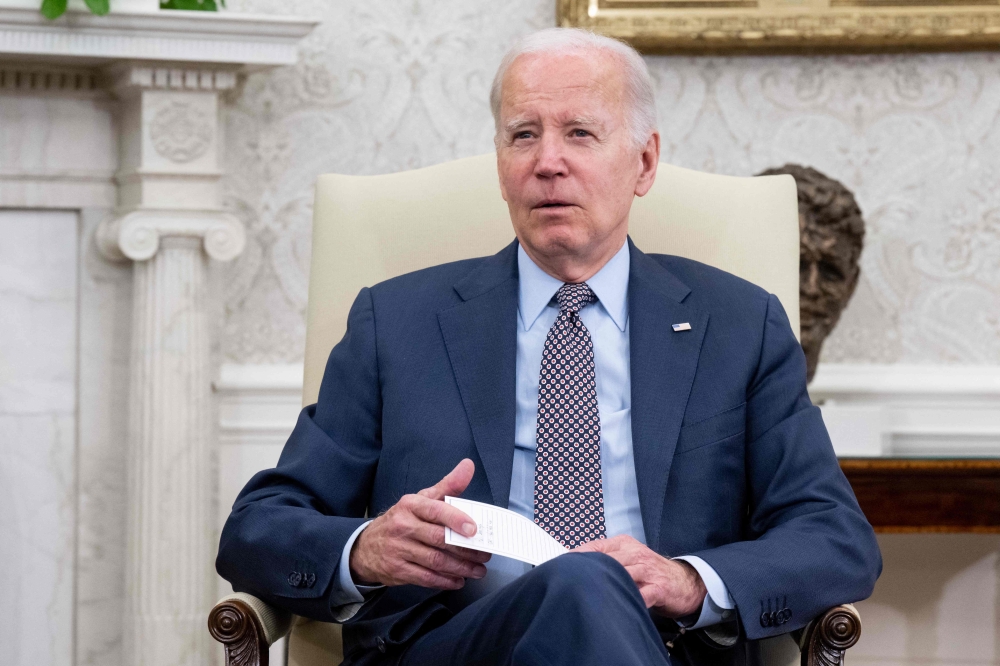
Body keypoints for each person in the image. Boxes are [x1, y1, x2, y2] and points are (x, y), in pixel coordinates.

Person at [217, 28, 881, 666]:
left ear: (644, 162)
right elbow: (259, 528)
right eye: (523, 135)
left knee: (586, 584)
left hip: (663, 645)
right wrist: (366, 548)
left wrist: (686, 579)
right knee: (581, 582)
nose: (547, 162)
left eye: (580, 134)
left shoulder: (737, 325)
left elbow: (834, 538)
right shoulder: (397, 322)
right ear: (501, 164)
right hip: (452, 645)